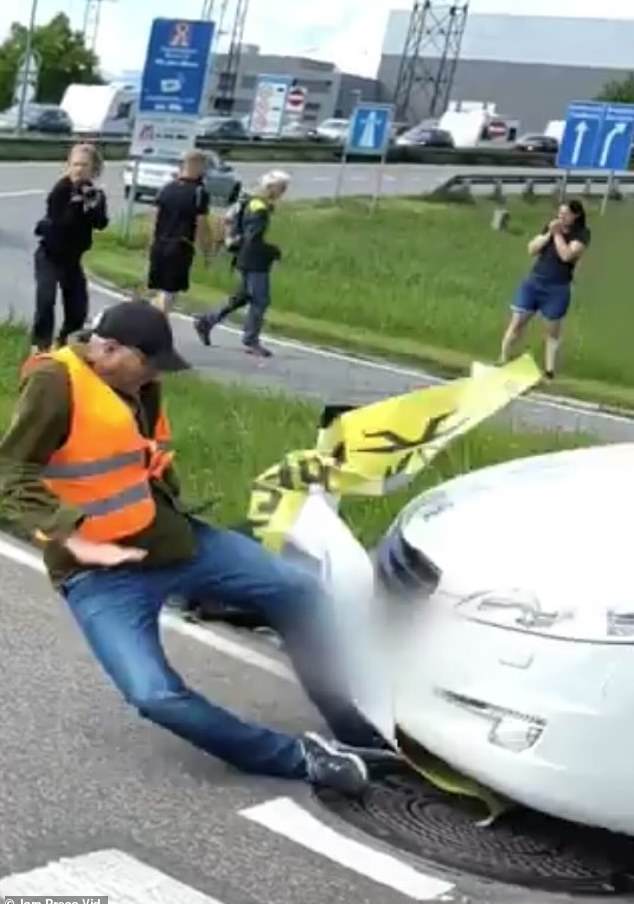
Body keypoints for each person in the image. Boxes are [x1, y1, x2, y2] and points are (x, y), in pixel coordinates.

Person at [0, 299, 390, 795]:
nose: (153, 378)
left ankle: (355, 727)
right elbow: (11, 473)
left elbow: (137, 457)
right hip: (98, 574)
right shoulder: (54, 383)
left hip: (172, 541)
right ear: (109, 348)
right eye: (148, 366)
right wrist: (76, 536)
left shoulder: (138, 383)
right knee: (153, 695)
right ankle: (300, 759)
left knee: (300, 590)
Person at [194, 170, 290, 358]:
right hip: (254, 260)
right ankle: (251, 340)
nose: (284, 192)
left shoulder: (252, 201)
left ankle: (206, 321)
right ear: (271, 187)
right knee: (260, 300)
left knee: (242, 297)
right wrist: (273, 252)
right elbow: (252, 239)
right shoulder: (259, 208)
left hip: (244, 256)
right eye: (282, 187)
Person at [499, 199, 591, 379]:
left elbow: (567, 255)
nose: (561, 217)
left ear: (575, 215)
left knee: (552, 329)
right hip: (535, 281)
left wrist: (557, 235)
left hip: (557, 287)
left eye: (565, 214)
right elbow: (531, 249)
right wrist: (549, 233)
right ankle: (502, 358)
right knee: (517, 322)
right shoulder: (550, 227)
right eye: (560, 213)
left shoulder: (582, 234)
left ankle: (549, 370)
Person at [32, 143, 108, 354]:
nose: (79, 169)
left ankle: (65, 345)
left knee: (77, 309)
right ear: (68, 165)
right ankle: (40, 346)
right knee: (46, 300)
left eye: (84, 165)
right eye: (75, 164)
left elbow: (101, 223)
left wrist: (92, 207)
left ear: (93, 168)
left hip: (72, 259)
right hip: (49, 255)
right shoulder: (61, 189)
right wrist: (76, 202)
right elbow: (60, 222)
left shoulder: (94, 193)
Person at [148, 150, 213, 313]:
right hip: (180, 246)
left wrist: (150, 244)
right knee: (169, 293)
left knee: (159, 290)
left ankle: (150, 323)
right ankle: (158, 328)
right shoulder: (199, 192)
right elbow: (201, 225)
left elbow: (154, 219)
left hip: (159, 244)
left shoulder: (166, 188)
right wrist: (206, 251)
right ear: (198, 166)